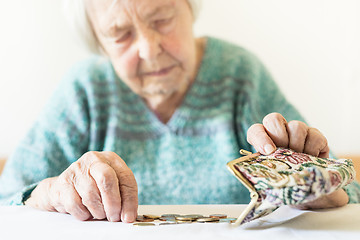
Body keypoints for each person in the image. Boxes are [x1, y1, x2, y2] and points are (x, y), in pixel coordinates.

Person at [0, 0, 359, 223]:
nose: (149, 49)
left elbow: (350, 196)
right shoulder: (84, 89)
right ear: (99, 42)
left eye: (160, 19)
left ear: (189, 7)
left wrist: (321, 189)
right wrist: (52, 192)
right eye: (120, 33)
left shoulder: (238, 74)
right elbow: (7, 199)